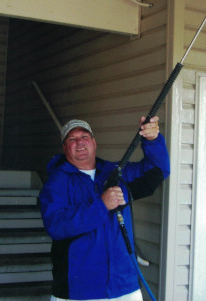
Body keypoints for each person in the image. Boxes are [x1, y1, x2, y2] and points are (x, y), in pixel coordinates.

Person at [39, 116, 170, 301]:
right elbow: (57, 226)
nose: (79, 142)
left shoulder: (116, 172)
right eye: (72, 139)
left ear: (94, 142)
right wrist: (101, 205)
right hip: (79, 292)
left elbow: (158, 170)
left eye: (84, 137)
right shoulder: (56, 183)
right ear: (64, 148)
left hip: (125, 287)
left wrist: (153, 140)